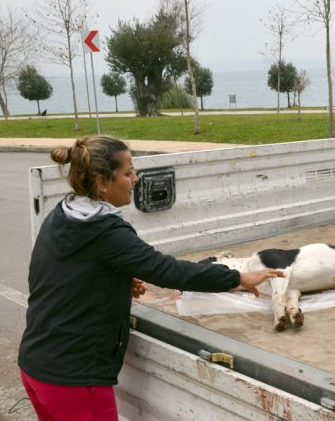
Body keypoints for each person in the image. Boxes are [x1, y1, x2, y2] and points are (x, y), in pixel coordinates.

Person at [17, 135, 283, 420]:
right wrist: (237, 278)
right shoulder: (106, 232)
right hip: (75, 381)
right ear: (102, 182)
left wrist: (114, 281)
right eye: (128, 173)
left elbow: (54, 275)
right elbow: (169, 271)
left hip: (35, 366)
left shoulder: (61, 215)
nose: (136, 179)